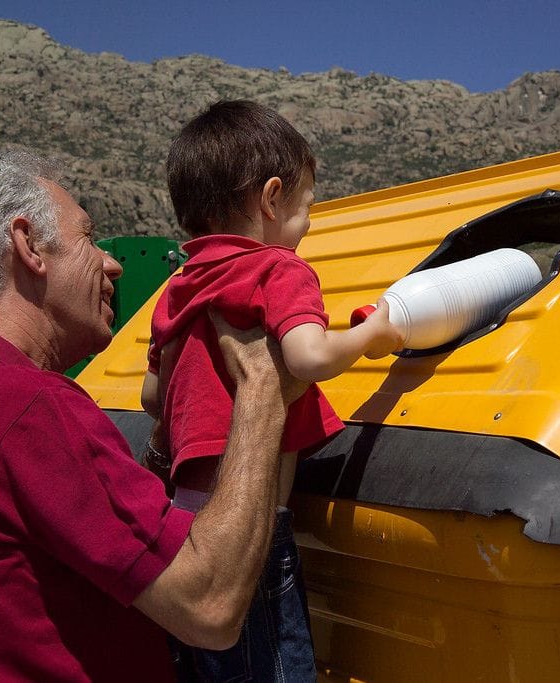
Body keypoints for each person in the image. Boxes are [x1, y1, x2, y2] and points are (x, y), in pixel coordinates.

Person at [0, 150, 305, 682]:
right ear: (28, 245)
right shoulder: (26, 407)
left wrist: (166, 442)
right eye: (89, 238)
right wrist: (261, 391)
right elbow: (209, 605)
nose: (112, 263)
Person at [142, 100, 402, 680]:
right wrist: (371, 335)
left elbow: (153, 399)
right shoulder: (278, 271)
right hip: (250, 537)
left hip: (185, 529)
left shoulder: (177, 288)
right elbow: (307, 356)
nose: (308, 227)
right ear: (272, 197)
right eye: (308, 208)